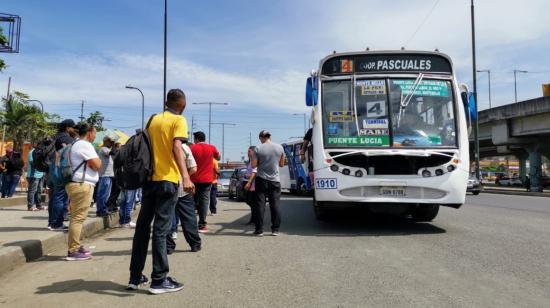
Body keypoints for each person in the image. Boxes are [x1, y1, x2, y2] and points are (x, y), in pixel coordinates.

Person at [128, 89, 193, 294]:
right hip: (167, 180)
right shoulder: (179, 120)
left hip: (149, 180)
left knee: (142, 228)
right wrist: (186, 176)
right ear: (182, 105)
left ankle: (135, 277)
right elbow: (176, 147)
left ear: (167, 102)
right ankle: (159, 279)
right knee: (161, 229)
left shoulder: (153, 119)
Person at [65, 122, 101, 261]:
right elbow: (97, 165)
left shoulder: (76, 144)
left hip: (77, 183)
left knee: (76, 217)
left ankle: (75, 245)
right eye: (95, 133)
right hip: (82, 184)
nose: (95, 136)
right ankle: (73, 250)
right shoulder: (84, 145)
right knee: (78, 218)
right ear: (90, 132)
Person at [167, 142, 201, 254]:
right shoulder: (184, 147)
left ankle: (168, 246)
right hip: (183, 188)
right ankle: (195, 244)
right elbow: (194, 168)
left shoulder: (161, 145)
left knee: (166, 218)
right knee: (188, 218)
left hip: (166, 187)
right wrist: (185, 177)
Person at [252, 130, 284, 236]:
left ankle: (259, 230)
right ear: (270, 136)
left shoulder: (258, 148)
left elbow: (253, 165)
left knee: (260, 205)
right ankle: (275, 229)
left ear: (262, 137)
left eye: (260, 138)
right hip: (275, 180)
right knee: (275, 205)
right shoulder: (280, 147)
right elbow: (282, 164)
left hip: (261, 179)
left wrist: (262, 162)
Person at [48, 119, 77, 231]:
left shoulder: (55, 137)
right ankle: (56, 223)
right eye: (73, 127)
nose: (74, 129)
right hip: (60, 170)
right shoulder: (67, 138)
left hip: (52, 169)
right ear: (67, 128)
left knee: (54, 196)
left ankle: (52, 222)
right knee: (60, 196)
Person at [190, 131, 221, 233]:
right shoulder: (211, 147)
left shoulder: (192, 148)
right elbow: (218, 157)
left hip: (193, 179)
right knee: (204, 201)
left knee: (191, 201)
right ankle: (202, 225)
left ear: (197, 139)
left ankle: (190, 223)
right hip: (207, 179)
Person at [95, 136, 115, 217]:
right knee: (102, 194)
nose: (111, 143)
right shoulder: (103, 149)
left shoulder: (106, 149)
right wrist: (114, 146)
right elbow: (112, 153)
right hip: (104, 175)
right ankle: (101, 210)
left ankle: (103, 209)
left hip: (108, 175)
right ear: (106, 141)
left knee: (106, 194)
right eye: (110, 142)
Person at [27, 144, 45, 211]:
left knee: (39, 191)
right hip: (33, 175)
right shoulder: (32, 152)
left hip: (40, 174)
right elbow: (32, 163)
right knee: (32, 191)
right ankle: (30, 206)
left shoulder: (40, 152)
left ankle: (39, 205)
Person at [243, 146, 257, 225]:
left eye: (249, 151)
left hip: (254, 186)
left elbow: (254, 173)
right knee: (249, 201)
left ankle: (254, 219)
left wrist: (248, 177)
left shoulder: (255, 161)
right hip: (250, 186)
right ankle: (253, 219)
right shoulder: (250, 161)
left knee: (253, 203)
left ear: (253, 152)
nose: (248, 153)